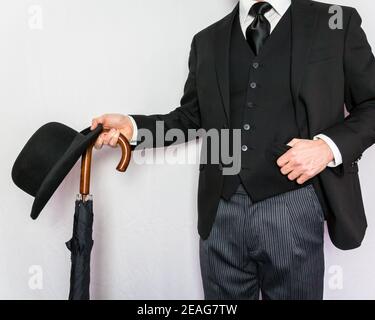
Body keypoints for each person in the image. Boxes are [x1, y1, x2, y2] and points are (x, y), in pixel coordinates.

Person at [91, 0, 375, 300]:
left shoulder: (335, 21)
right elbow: (190, 118)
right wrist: (133, 127)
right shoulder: (207, 40)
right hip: (221, 211)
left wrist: (326, 148)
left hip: (294, 206)